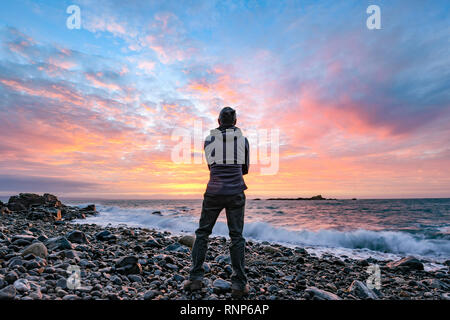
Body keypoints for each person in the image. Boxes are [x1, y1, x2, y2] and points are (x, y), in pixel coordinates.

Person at [183, 106, 250, 298]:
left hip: (213, 192)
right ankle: (239, 284)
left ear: (218, 121)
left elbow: (210, 166)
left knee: (202, 233)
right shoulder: (243, 141)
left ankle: (195, 278)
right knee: (236, 237)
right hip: (236, 191)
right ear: (235, 122)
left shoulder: (209, 140)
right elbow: (244, 169)